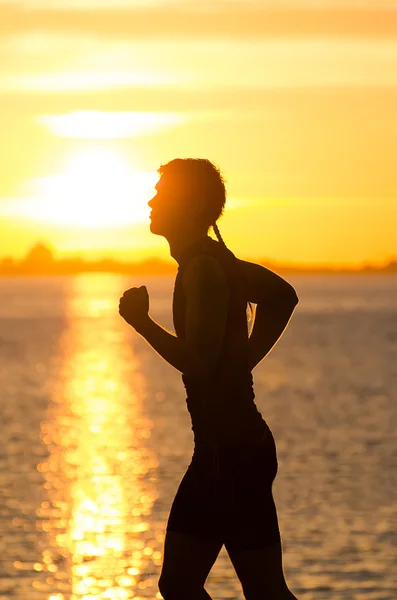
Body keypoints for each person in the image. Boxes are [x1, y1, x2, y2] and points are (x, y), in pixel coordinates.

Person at [119, 158, 299, 600]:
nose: (151, 200)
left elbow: (197, 363)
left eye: (163, 193)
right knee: (255, 589)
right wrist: (244, 360)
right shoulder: (212, 261)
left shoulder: (203, 268)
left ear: (194, 204)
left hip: (229, 455)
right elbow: (281, 296)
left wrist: (141, 322)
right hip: (235, 449)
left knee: (187, 585)